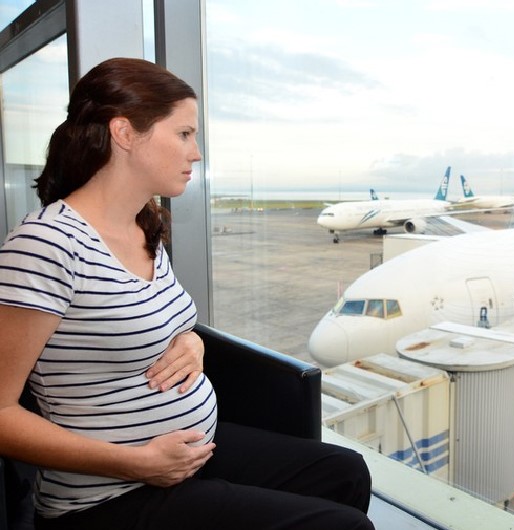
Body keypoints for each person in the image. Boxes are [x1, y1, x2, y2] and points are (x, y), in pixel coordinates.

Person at [0, 57, 374, 530]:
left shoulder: (143, 227)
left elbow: (145, 322)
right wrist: (137, 464)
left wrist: (191, 341)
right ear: (124, 132)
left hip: (185, 454)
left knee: (345, 472)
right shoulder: (45, 244)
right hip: (109, 494)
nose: (195, 153)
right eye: (183, 134)